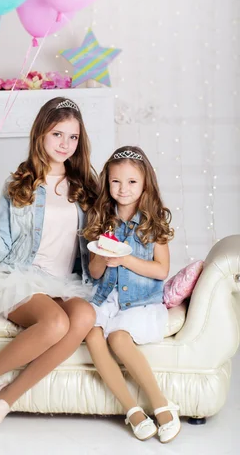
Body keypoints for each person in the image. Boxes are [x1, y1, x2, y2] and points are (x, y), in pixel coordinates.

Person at [0, 96, 98, 439]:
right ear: (40, 134)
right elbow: (5, 255)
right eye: (57, 134)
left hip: (67, 283)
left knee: (83, 316)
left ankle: (6, 398)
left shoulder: (86, 190)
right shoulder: (20, 185)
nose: (65, 144)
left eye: (72, 137)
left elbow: (95, 247)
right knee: (55, 323)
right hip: (21, 280)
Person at [84, 146, 181, 443]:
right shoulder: (101, 218)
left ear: (144, 185)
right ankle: (133, 411)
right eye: (115, 181)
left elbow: (161, 270)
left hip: (139, 302)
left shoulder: (153, 223)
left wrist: (125, 259)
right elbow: (95, 273)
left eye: (131, 182)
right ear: (107, 183)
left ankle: (162, 404)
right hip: (106, 298)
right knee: (92, 333)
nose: (123, 189)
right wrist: (103, 253)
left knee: (118, 337)